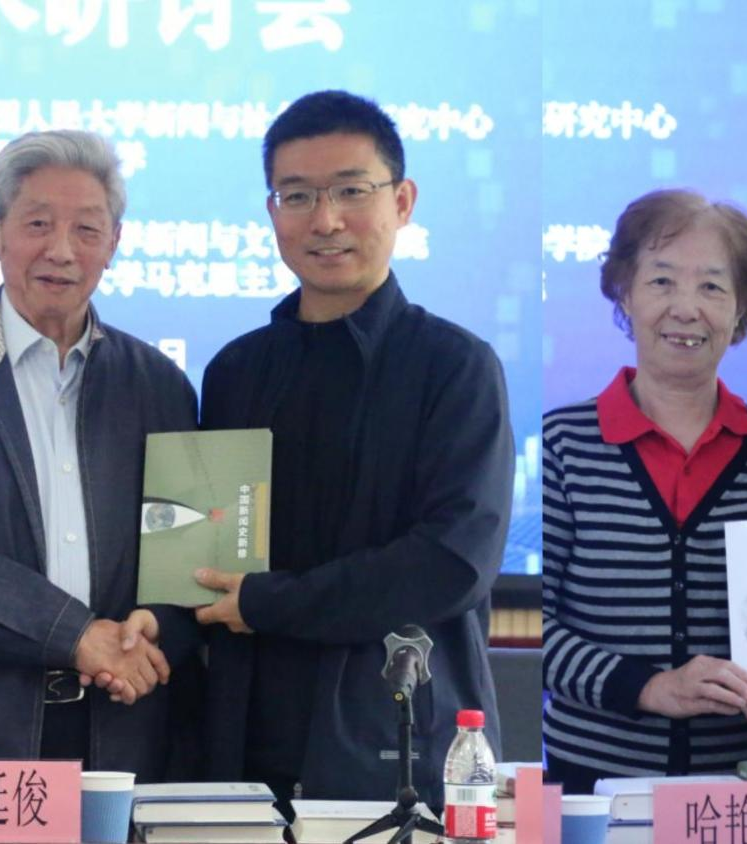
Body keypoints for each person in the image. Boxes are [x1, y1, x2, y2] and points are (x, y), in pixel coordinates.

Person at [192, 90, 514, 812]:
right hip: (245, 746)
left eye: (350, 191)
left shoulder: (454, 366)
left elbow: (452, 562)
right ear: (272, 211)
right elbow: (207, 549)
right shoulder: (236, 372)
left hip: (398, 748)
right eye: (297, 195)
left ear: (402, 201)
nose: (325, 220)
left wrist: (271, 603)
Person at [0, 130, 200, 779]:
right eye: (38, 223)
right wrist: (74, 634)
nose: (62, 251)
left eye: (87, 229)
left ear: (114, 243)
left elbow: (190, 557)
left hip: (124, 730)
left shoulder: (159, 386)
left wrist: (157, 625)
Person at [542, 189, 747, 794]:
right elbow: (536, 627)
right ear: (625, 292)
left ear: (743, 307)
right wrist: (647, 687)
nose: (686, 309)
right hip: (595, 794)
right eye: (662, 281)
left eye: (713, 287)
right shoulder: (560, 447)